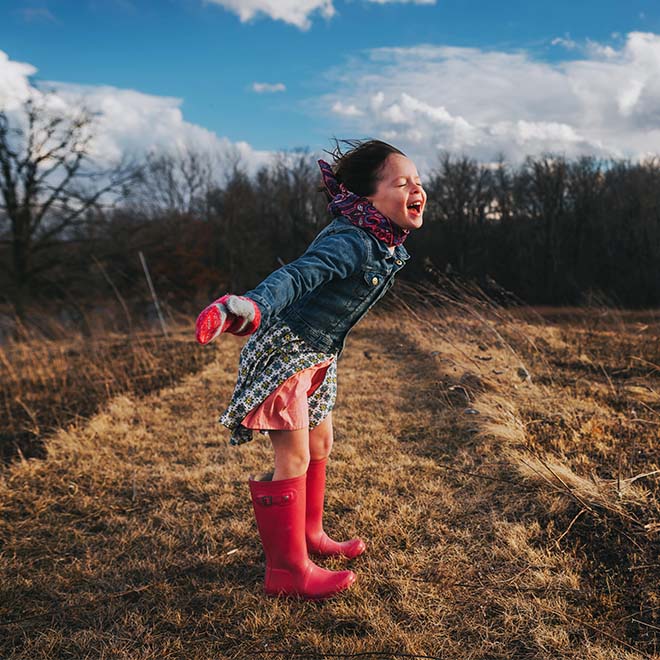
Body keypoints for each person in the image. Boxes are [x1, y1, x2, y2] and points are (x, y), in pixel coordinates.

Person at [195, 139, 427, 600]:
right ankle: (286, 571)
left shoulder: (380, 238)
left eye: (419, 182)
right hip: (288, 352)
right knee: (293, 457)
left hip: (318, 355)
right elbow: (301, 274)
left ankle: (310, 533)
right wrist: (251, 306)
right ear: (366, 198)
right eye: (402, 183)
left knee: (321, 442)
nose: (417, 189)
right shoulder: (351, 241)